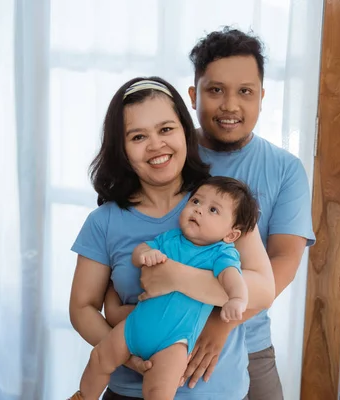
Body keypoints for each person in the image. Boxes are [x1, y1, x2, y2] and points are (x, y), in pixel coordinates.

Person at [124, 28, 316, 400]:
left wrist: (221, 322)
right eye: (215, 90)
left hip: (245, 340)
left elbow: (284, 262)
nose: (230, 105)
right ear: (194, 96)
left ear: (262, 96)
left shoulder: (285, 168)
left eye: (245, 91)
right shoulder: (168, 154)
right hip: (158, 332)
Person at [68, 76, 275, 400]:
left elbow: (263, 289)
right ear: (121, 148)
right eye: (138, 136)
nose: (156, 145)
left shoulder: (221, 202)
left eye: (166, 129)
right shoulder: (103, 222)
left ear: (184, 130)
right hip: (128, 391)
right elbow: (83, 307)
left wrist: (175, 277)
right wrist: (127, 354)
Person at [71, 176, 258, 400]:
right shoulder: (171, 238)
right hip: (133, 328)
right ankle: (83, 396)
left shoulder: (221, 254)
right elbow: (141, 250)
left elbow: (233, 279)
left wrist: (237, 299)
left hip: (174, 341)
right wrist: (144, 255)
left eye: (213, 210)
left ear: (231, 234)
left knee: (158, 390)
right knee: (99, 358)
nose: (198, 210)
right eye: (196, 202)